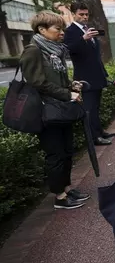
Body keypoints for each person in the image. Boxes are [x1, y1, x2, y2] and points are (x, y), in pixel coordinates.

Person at [21, 11, 91, 209]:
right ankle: (59, 196)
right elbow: (37, 82)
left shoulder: (55, 50)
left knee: (67, 151)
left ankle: (66, 188)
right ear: (42, 30)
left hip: (60, 109)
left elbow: (56, 79)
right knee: (55, 154)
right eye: (57, 29)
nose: (62, 33)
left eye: (62, 29)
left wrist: (71, 85)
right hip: (46, 112)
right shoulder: (33, 50)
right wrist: (66, 94)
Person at [63, 1, 114, 146]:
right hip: (84, 77)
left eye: (86, 14)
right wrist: (83, 39)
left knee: (96, 106)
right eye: (81, 14)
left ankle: (100, 132)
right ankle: (94, 138)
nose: (85, 17)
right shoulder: (70, 31)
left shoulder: (88, 29)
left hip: (96, 74)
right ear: (73, 14)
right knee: (89, 108)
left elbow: (94, 54)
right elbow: (67, 50)